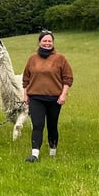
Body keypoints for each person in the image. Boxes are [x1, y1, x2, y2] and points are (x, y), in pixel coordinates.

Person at [22, 30, 74, 162]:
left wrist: (63, 95)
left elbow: (68, 78)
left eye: (49, 41)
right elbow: (26, 78)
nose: (47, 43)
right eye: (44, 41)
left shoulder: (60, 58)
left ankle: (52, 151)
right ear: (39, 42)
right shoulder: (32, 59)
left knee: (52, 125)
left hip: (54, 99)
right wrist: (25, 94)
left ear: (53, 42)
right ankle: (35, 154)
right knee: (37, 125)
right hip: (36, 98)